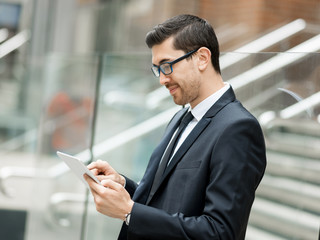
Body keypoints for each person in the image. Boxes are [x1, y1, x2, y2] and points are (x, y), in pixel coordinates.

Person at [84, 14, 266, 240]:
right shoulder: (182, 117)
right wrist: (124, 186)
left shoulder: (238, 129)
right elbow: (171, 199)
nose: (161, 79)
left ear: (201, 58)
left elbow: (221, 232)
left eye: (167, 65)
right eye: (156, 69)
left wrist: (129, 211)